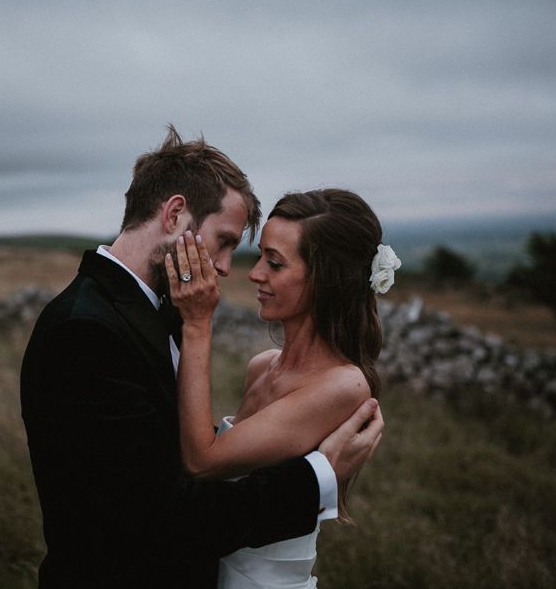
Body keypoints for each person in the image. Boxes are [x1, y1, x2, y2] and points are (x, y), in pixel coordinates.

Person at [20, 127, 384, 588]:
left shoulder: (157, 314)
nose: (227, 267)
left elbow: (154, 457)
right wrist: (319, 477)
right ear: (175, 215)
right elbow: (163, 518)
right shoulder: (85, 332)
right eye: (225, 241)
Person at [166, 188, 398, 588]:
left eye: (274, 263)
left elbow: (202, 460)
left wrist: (197, 323)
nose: (255, 273)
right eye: (260, 258)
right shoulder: (261, 368)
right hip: (211, 567)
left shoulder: (344, 385)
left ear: (326, 279)